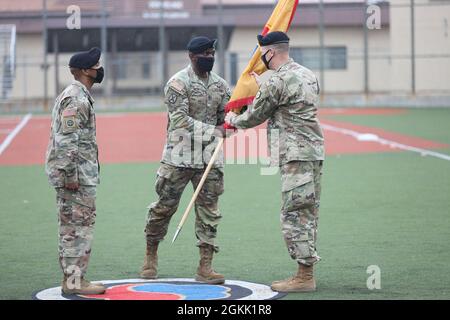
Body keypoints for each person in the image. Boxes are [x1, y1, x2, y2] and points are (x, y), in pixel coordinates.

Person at [225, 31, 325, 292]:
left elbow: (253, 116)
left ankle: (304, 277)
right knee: (308, 212)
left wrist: (232, 120)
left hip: (295, 155)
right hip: (313, 154)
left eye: (262, 54)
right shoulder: (308, 74)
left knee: (294, 214)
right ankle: (306, 269)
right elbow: (287, 104)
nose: (261, 58)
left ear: (270, 52)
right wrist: (263, 91)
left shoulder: (276, 82)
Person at [141, 36, 232, 284]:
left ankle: (205, 266)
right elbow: (180, 122)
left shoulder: (221, 85)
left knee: (209, 212)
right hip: (178, 158)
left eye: (212, 53)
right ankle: (151, 255)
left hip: (209, 159)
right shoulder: (177, 84)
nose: (210, 57)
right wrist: (215, 131)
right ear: (192, 57)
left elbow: (226, 116)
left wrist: (235, 117)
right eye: (205, 54)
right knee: (164, 208)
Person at [45, 47, 106, 295]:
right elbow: (67, 140)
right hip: (75, 177)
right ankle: (73, 282)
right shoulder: (76, 99)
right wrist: (70, 175)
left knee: (77, 226)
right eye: (95, 65)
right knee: (75, 229)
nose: (99, 68)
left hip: (80, 174)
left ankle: (74, 279)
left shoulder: (79, 95)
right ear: (83, 71)